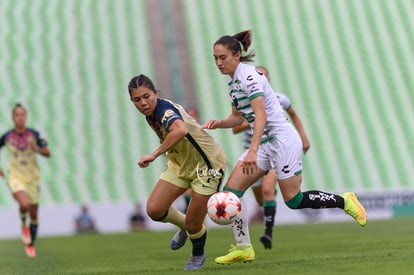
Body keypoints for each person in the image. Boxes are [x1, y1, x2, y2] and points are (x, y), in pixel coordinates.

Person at [203, 30, 367, 265]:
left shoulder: (250, 78)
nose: (218, 63)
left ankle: (345, 201)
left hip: (283, 141)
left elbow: (260, 117)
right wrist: (219, 123)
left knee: (293, 199)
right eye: (215, 58)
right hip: (265, 144)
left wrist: (252, 151)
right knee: (230, 194)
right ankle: (244, 248)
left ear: (237, 56)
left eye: (222, 57)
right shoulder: (232, 83)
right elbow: (238, 119)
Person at [128, 74, 227, 270]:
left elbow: (180, 130)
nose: (143, 103)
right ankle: (184, 227)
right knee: (154, 210)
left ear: (156, 93)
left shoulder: (164, 109)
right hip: (180, 164)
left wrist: (155, 153)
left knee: (194, 225)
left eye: (146, 96)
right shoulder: (151, 114)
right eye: (137, 100)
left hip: (206, 167)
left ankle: (197, 254)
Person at [231, 65, 310, 249]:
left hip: (276, 149)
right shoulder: (245, 101)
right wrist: (254, 119)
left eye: (264, 76)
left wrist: (304, 137)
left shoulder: (279, 99)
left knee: (268, 190)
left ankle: (268, 233)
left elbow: (294, 115)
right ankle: (268, 203)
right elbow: (235, 128)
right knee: (261, 198)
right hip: (254, 153)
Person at [0, 103, 51, 258]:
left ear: (26, 116)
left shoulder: (34, 134)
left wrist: (36, 149)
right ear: (13, 117)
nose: (20, 117)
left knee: (34, 214)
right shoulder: (7, 136)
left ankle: (30, 244)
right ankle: (23, 224)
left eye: (22, 114)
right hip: (15, 177)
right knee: (24, 204)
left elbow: (47, 152)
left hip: (33, 178)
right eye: (17, 115)